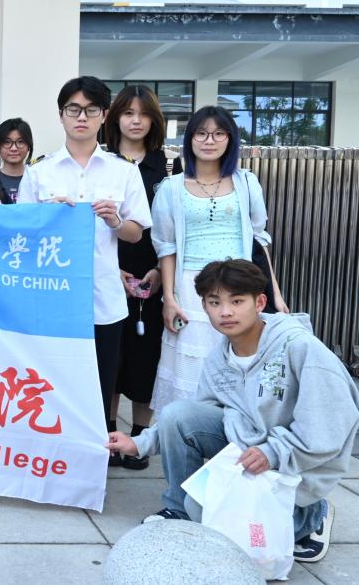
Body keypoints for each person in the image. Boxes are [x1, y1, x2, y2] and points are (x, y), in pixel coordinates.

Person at [108, 259, 359, 564]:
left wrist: (274, 451)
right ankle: (180, 508)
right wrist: (139, 444)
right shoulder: (220, 356)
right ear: (205, 306)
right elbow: (198, 414)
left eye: (237, 301)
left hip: (296, 465)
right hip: (248, 454)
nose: (225, 312)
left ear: (260, 302)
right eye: (215, 302)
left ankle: (312, 513)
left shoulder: (300, 347)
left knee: (244, 539)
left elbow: (331, 424)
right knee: (178, 415)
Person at [17, 76, 151, 451]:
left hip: (103, 299)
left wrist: (115, 221)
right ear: (61, 115)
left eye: (91, 110)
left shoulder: (123, 170)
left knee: (99, 384)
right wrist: (47, 218)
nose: (81, 117)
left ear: (104, 115)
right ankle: (50, 453)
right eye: (73, 109)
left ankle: (92, 459)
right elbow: (22, 236)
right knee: (50, 383)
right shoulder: (39, 171)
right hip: (52, 298)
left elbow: (136, 233)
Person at [150, 106, 288, 414]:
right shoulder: (172, 188)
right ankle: (189, 428)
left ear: (230, 139)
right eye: (201, 133)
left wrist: (276, 294)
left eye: (218, 134)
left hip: (239, 284)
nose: (209, 141)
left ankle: (235, 431)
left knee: (239, 358)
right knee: (192, 363)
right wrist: (169, 298)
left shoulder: (246, 182)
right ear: (190, 139)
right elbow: (166, 247)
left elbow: (259, 240)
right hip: (191, 287)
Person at [101, 86, 182, 469]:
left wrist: (159, 274)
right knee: (110, 359)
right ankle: (109, 437)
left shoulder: (168, 168)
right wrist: (108, 270)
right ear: (115, 117)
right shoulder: (101, 163)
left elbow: (174, 229)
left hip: (154, 275)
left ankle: (138, 438)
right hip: (107, 273)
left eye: (144, 114)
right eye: (128, 113)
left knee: (146, 358)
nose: (136, 121)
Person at [0, 118, 33, 203]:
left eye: (20, 142)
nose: (14, 148)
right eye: (7, 142)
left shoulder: (36, 180)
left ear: (29, 146)